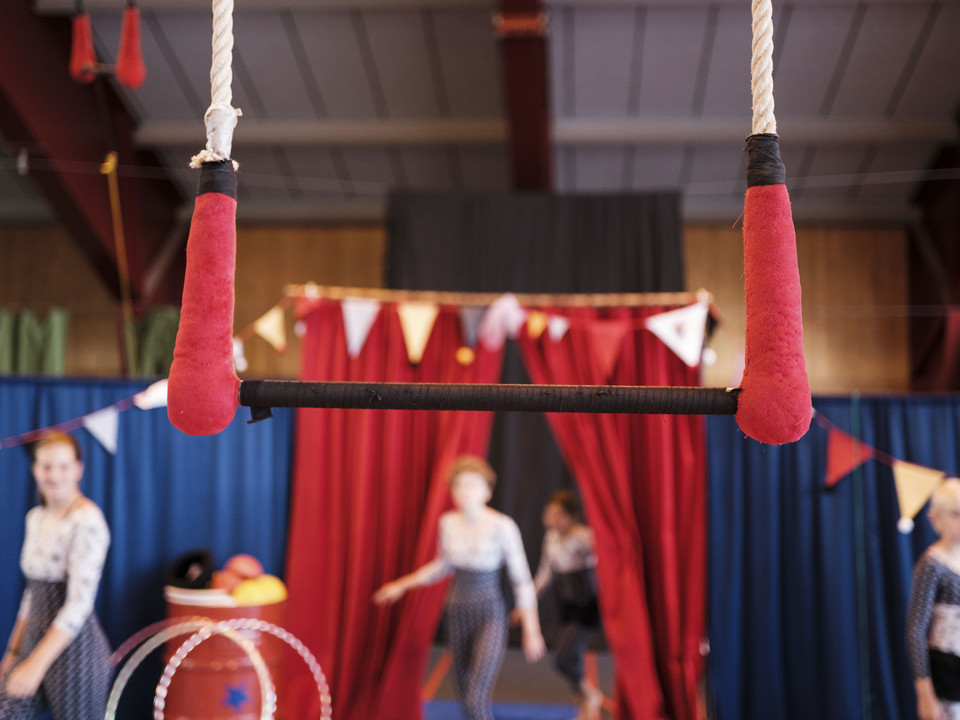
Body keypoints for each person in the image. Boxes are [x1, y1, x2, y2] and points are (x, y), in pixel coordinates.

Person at [373, 455, 546, 720]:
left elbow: (521, 579)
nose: (465, 491)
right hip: (456, 612)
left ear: (487, 492)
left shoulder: (503, 526)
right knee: (465, 695)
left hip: (489, 612)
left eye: (473, 485)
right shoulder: (448, 523)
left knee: (476, 695)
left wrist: (531, 629)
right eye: (459, 485)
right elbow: (442, 566)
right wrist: (401, 585)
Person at [0, 431, 112, 720]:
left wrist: (36, 665)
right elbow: (31, 594)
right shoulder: (35, 518)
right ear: (35, 469)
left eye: (63, 466)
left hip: (77, 655)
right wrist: (13, 653)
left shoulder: (87, 520)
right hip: (31, 645)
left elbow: (79, 604)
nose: (54, 475)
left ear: (78, 468)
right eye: (46, 466)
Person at [521, 489, 603, 720]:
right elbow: (545, 573)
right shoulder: (551, 538)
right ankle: (585, 707)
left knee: (562, 659)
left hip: (586, 605)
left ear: (571, 516)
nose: (551, 520)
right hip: (565, 604)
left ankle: (590, 695)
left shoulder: (585, 537)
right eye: (549, 515)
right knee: (572, 659)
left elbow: (605, 562)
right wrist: (527, 601)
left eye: (558, 515)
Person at [907, 477, 960, 720]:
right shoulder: (932, 564)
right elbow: (916, 629)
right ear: (936, 518)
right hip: (947, 675)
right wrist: (925, 694)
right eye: (956, 514)